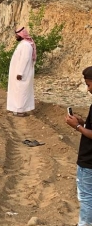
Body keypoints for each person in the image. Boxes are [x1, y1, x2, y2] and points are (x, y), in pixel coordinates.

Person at [65, 66, 92, 225]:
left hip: (88, 161)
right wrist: (84, 122)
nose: (88, 89)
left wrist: (77, 127)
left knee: (87, 197)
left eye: (89, 84)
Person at [7, 27, 36, 116]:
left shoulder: (26, 45)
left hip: (23, 73)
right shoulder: (23, 44)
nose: (15, 36)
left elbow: (25, 59)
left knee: (21, 91)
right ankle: (16, 109)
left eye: (17, 35)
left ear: (21, 35)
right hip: (19, 72)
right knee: (17, 90)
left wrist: (20, 73)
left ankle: (20, 111)